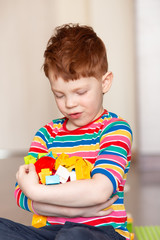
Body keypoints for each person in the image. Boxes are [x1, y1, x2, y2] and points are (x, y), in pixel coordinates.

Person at [0, 24, 132, 240]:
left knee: (74, 235)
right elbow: (20, 193)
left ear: (104, 82)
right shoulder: (46, 134)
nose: (70, 103)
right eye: (59, 95)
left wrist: (36, 192)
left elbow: (99, 190)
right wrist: (70, 211)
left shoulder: (115, 129)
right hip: (51, 233)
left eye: (80, 92)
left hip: (101, 233)